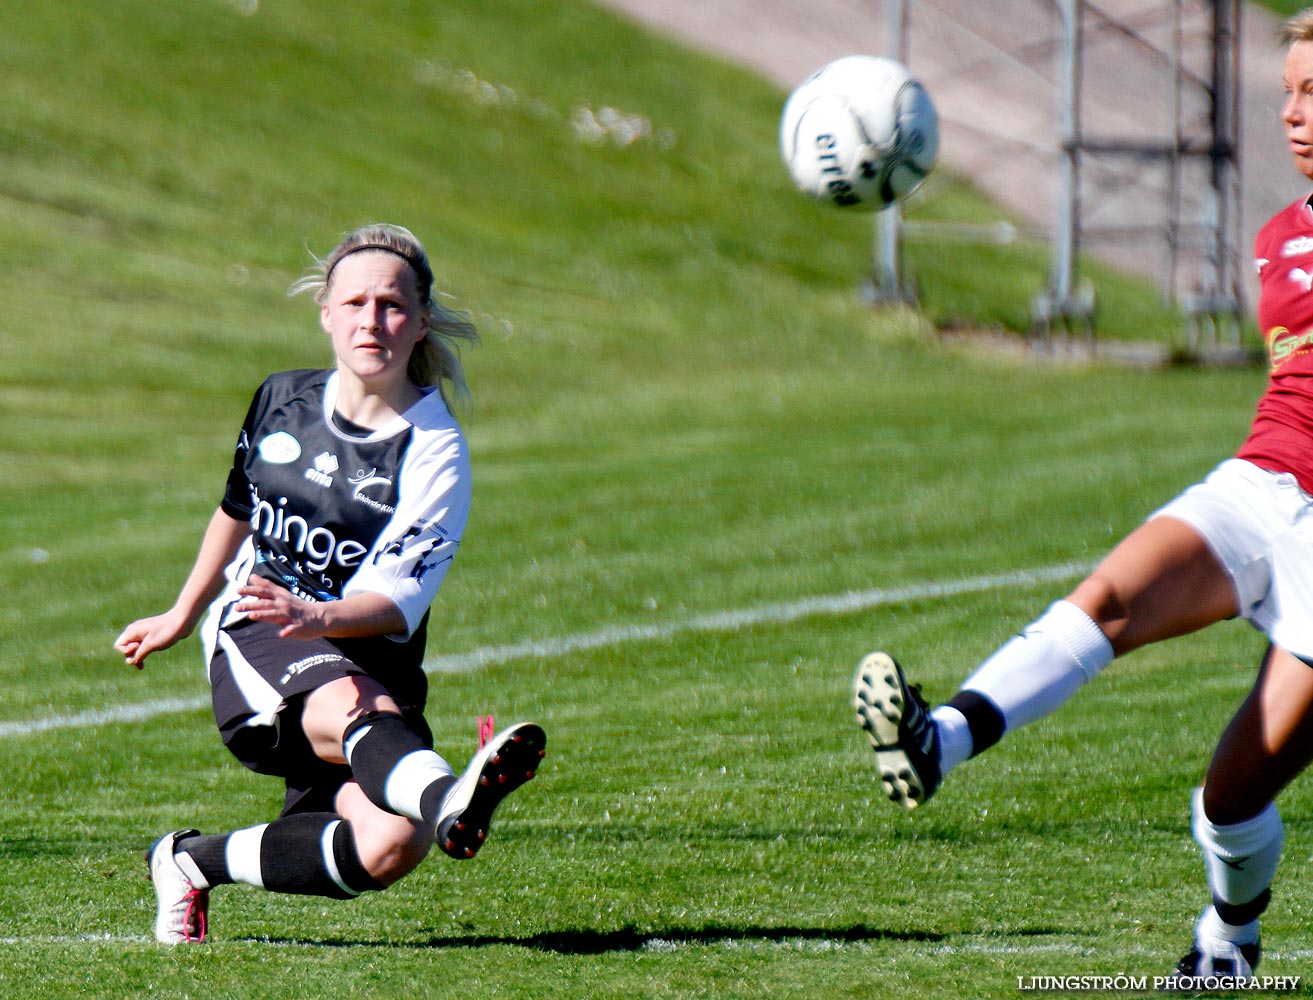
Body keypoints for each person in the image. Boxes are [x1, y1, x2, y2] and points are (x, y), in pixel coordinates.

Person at [853, 11, 1313, 983]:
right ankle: (936, 742)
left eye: (1311, 93)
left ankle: (1227, 936)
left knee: (1228, 798)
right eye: (1284, 93)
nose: (1290, 114)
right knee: (1105, 597)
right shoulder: (1280, 235)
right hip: (1259, 481)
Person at [114, 223, 546, 944]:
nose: (370, 321)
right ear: (325, 312)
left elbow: (395, 603)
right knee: (355, 706)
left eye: (391, 305)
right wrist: (184, 610)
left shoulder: (435, 450)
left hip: (357, 647)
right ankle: (447, 800)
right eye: (353, 304)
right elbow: (237, 508)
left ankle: (188, 863)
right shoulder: (279, 397)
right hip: (261, 626)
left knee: (386, 848)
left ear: (421, 321)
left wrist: (320, 615)